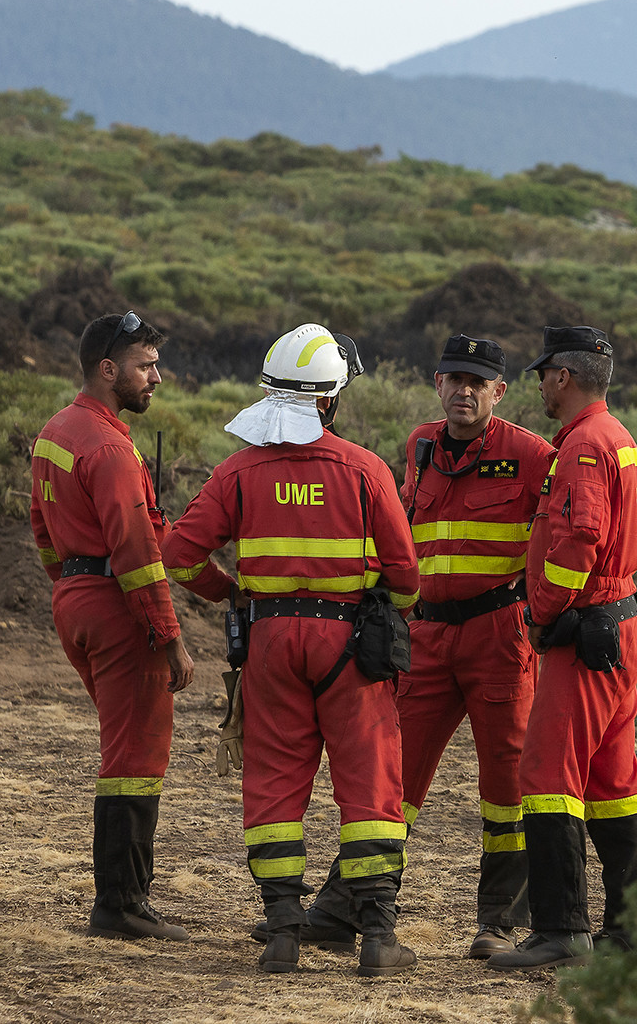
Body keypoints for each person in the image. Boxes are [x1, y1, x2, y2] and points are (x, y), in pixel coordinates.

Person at [161, 323, 423, 977]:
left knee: (274, 785)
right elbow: (408, 576)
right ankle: (378, 938)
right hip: (351, 645)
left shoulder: (239, 469)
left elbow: (178, 554)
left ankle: (282, 931)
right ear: (329, 399)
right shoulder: (364, 469)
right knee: (369, 786)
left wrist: (232, 593)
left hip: (270, 642)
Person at [305, 334, 554, 959]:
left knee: (506, 784)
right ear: (436, 382)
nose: (464, 391)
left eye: (478, 382)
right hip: (426, 635)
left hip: (501, 635)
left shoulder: (533, 455)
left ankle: (499, 922)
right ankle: (344, 908)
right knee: (392, 775)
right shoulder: (418, 444)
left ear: (499, 392)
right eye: (454, 379)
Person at [488, 325, 637, 971]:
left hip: (586, 632)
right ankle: (632, 929)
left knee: (549, 776)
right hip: (618, 627)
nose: (538, 384)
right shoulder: (618, 439)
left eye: (542, 372)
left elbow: (582, 538)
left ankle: (560, 928)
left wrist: (542, 611)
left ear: (564, 374)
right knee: (614, 781)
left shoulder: (584, 446)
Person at [29, 310, 197, 942]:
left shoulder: (56, 431)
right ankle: (121, 904)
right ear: (109, 370)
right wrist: (171, 637)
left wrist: (69, 588)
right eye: (145, 366)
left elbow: (42, 532)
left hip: (76, 602)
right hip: (115, 609)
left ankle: (124, 900)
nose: (157, 376)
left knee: (123, 746)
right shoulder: (109, 448)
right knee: (135, 755)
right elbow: (136, 555)